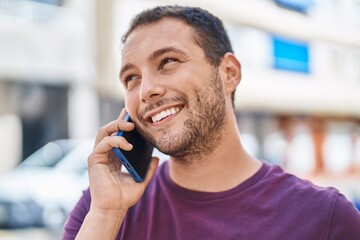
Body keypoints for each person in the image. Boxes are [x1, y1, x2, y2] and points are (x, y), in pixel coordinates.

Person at [62, 5, 360, 240]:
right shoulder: (100, 207)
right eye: (131, 78)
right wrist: (106, 214)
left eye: (167, 62)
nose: (145, 90)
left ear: (229, 72)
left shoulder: (325, 218)